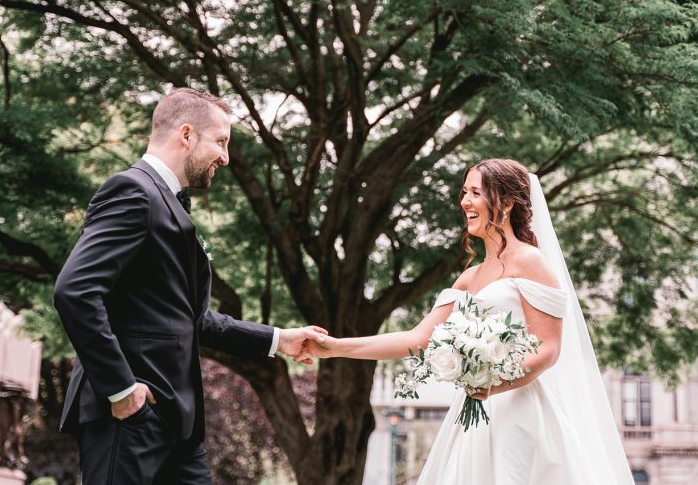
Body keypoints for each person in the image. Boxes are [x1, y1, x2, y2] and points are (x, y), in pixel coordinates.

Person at [299, 158, 635, 484]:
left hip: (517, 411)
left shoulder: (531, 261)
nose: (465, 202)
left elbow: (549, 348)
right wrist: (334, 347)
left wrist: (496, 383)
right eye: (464, 192)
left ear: (505, 203)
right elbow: (416, 340)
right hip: (473, 414)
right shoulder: (469, 277)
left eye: (475, 192)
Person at [53, 87, 327, 485]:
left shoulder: (171, 203)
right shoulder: (133, 191)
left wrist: (278, 339)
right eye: (221, 141)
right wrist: (121, 391)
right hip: (129, 419)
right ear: (186, 134)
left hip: (177, 425)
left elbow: (191, 319)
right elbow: (75, 290)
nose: (226, 157)